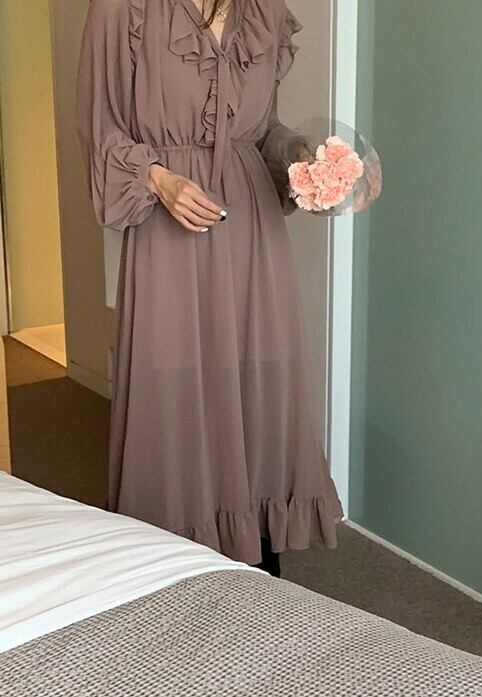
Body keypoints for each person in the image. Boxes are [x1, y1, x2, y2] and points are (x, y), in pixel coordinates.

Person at [76, 0, 344, 577]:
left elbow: (262, 130)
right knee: (172, 387)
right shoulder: (122, 10)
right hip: (170, 224)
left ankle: (259, 561)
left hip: (251, 228)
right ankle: (174, 568)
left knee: (258, 382)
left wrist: (301, 159)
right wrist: (157, 178)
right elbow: (100, 127)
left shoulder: (263, 10)